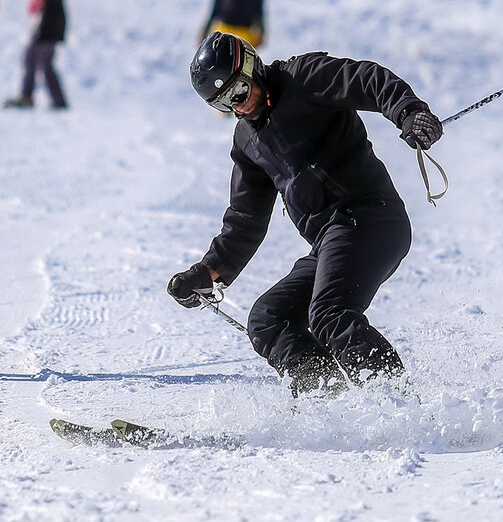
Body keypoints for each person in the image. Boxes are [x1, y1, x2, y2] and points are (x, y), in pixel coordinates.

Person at [167, 33, 444, 397]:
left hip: (370, 219)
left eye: (238, 93)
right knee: (268, 318)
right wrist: (208, 272)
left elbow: (366, 79)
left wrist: (409, 112)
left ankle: (397, 401)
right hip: (331, 239)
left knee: (329, 313)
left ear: (253, 66)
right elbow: (245, 217)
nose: (239, 107)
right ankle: (325, 401)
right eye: (223, 105)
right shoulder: (247, 141)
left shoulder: (304, 78)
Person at [4, 0, 68, 110]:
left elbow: (50, 1)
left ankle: (32, 97)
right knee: (39, 61)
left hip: (47, 27)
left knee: (37, 60)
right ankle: (52, 100)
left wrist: (40, 8)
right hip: (45, 26)